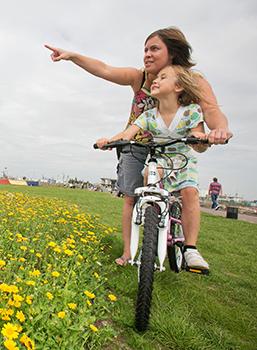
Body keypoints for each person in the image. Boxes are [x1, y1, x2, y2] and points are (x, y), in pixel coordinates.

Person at [46, 27, 232, 267]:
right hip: (136, 144)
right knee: (131, 197)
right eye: (145, 49)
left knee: (187, 192)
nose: (147, 54)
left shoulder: (190, 81)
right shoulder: (141, 77)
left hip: (172, 146)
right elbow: (104, 70)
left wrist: (218, 131)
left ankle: (183, 243)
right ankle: (128, 251)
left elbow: (210, 110)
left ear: (172, 53)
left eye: (154, 49)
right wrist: (72, 56)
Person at [96, 65, 210, 269]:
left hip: (183, 160)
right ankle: (150, 217)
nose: (155, 81)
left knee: (190, 192)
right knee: (150, 174)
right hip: (160, 160)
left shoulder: (191, 112)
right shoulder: (148, 115)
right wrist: (109, 141)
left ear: (179, 87)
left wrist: (200, 139)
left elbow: (199, 144)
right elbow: (128, 134)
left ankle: (191, 248)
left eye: (163, 77)